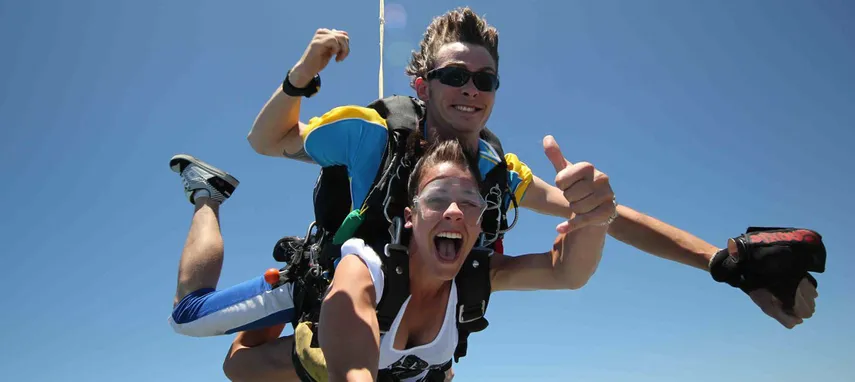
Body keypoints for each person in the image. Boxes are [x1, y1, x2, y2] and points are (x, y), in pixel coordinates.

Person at [165, 6, 823, 382]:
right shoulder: (371, 134)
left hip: (408, 326)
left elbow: (607, 218)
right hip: (327, 286)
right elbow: (267, 140)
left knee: (240, 366)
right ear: (420, 83)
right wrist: (302, 75)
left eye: (486, 79)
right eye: (454, 74)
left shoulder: (497, 170)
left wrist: (721, 262)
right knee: (196, 324)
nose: (472, 89)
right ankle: (207, 198)